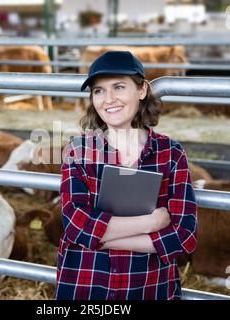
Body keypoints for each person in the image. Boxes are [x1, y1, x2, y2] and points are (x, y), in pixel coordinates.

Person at [56, 51, 197, 300]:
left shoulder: (170, 153)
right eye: (98, 90)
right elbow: (75, 225)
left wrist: (100, 239)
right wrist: (151, 223)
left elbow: (183, 236)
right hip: (88, 284)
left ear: (142, 90)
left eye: (119, 87)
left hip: (148, 286)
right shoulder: (79, 150)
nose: (108, 99)